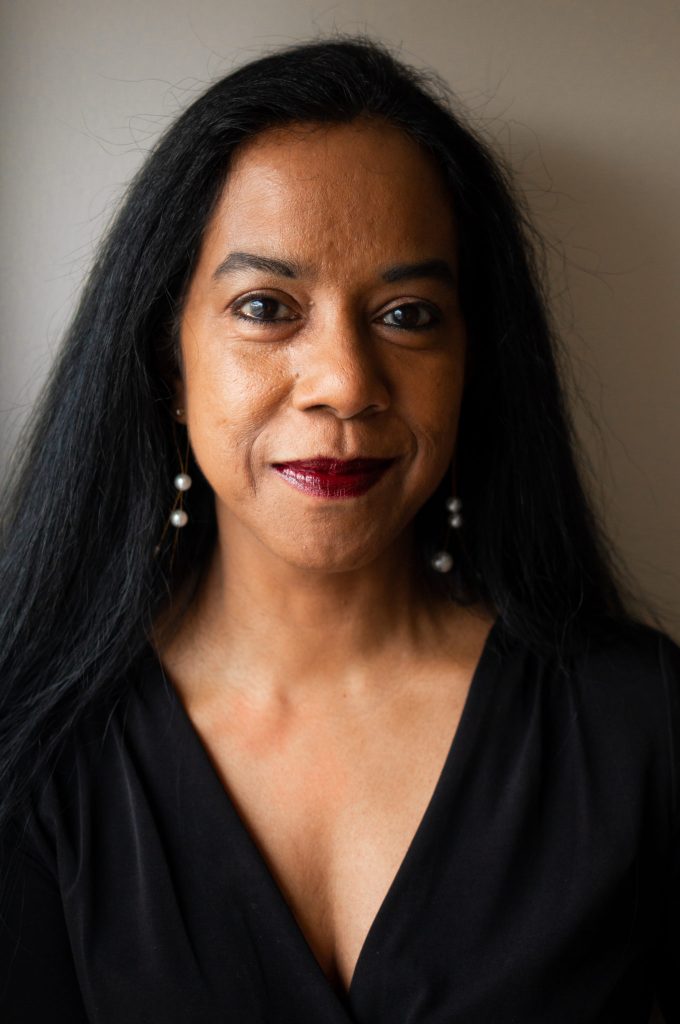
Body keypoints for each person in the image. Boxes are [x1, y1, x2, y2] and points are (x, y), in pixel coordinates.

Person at [0, 36, 677, 1024]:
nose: (346, 383)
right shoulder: (37, 752)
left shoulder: (638, 729)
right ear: (166, 361)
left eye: (406, 313)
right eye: (266, 306)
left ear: (474, 362)